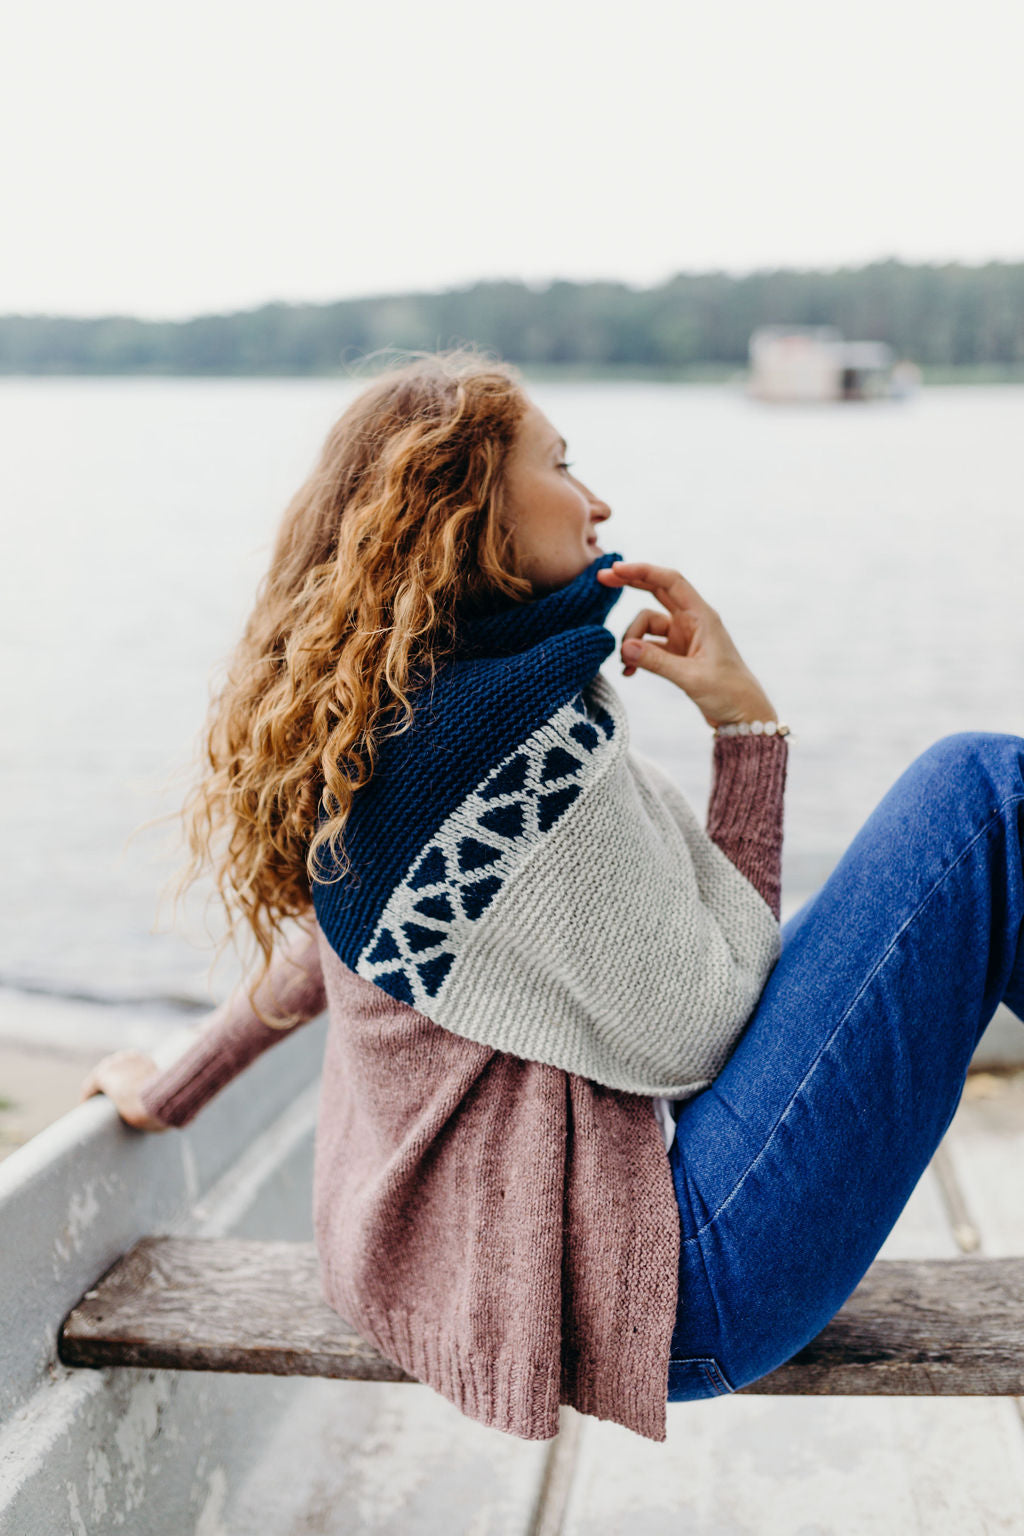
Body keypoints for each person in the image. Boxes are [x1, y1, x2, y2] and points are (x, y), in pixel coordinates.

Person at [80, 348, 1024, 1444]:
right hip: (674, 1290)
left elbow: (318, 954)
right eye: (563, 462)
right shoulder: (509, 738)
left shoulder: (388, 713)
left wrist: (176, 1084)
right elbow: (706, 1035)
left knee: (964, 840)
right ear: (464, 500)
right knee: (985, 797)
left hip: (449, 1273)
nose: (598, 499)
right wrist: (746, 732)